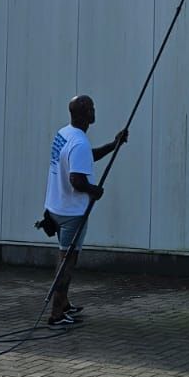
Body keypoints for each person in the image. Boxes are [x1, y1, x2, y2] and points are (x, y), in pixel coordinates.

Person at [43, 94, 127, 326]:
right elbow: (77, 180)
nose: (94, 111)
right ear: (84, 114)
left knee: (64, 257)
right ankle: (56, 314)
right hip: (72, 214)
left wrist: (113, 145)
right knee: (67, 262)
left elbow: (85, 158)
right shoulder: (79, 142)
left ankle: (65, 302)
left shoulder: (65, 134)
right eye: (91, 108)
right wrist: (95, 191)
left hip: (56, 207)